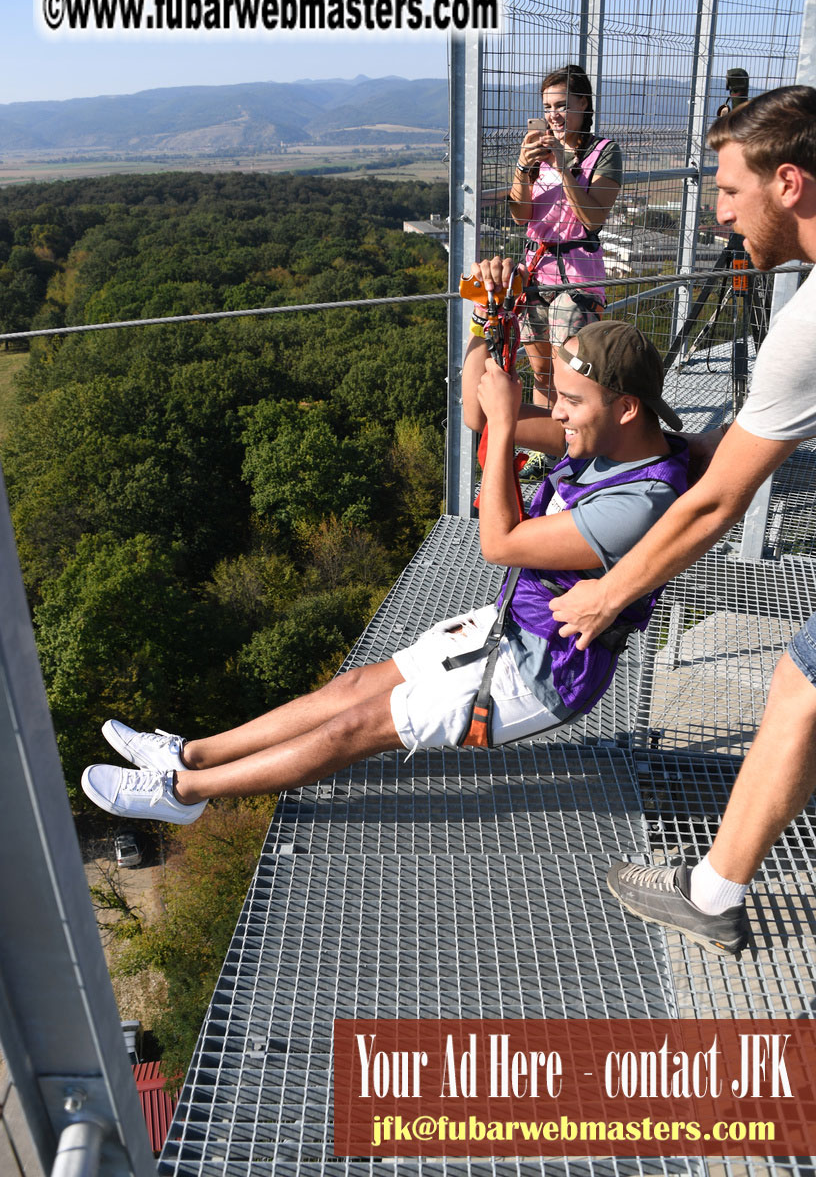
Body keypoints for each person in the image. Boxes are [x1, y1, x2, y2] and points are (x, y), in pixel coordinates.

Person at [82, 258, 687, 837]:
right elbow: (478, 409)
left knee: (353, 727)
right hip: (514, 626)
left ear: (626, 408)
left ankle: (183, 795)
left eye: (570, 403)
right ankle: (190, 753)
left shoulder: (638, 503)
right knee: (346, 690)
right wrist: (484, 320)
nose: (556, 413)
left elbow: (500, 543)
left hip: (542, 672)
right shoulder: (606, 437)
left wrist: (507, 427)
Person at [548, 84, 816, 957]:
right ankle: (713, 888)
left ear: (789, 184)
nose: (721, 216)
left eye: (729, 192)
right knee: (801, 688)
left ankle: (711, 895)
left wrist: (604, 596)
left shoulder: (808, 325)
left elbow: (714, 501)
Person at [509, 65, 622, 482]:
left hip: (577, 277)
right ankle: (547, 449)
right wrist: (524, 169)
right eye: (547, 107)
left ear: (584, 105)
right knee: (540, 370)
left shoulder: (604, 152)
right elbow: (521, 214)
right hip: (535, 271)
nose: (553, 115)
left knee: (570, 373)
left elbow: (592, 216)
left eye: (561, 106)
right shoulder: (537, 153)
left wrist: (564, 165)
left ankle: (580, 450)